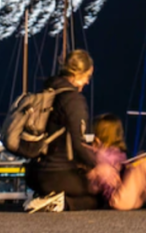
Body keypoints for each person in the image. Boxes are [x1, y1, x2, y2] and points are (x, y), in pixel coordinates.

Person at [24, 50, 100, 212]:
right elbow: (78, 145)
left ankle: (45, 196)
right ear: (77, 73)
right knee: (100, 196)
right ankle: (62, 202)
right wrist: (98, 165)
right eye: (87, 76)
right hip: (57, 174)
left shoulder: (47, 92)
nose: (87, 82)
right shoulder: (72, 100)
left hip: (34, 173)